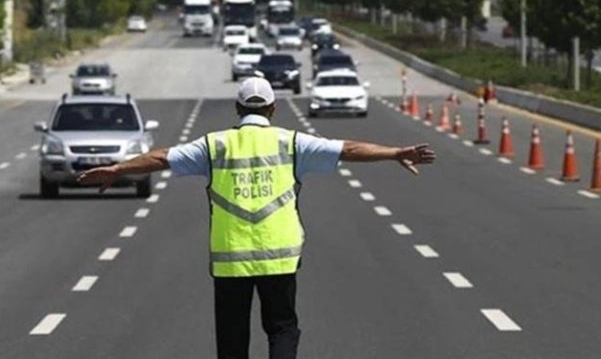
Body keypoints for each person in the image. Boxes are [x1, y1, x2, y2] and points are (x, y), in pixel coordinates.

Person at [77, 77, 436, 359]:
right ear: (273, 108)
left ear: (237, 107)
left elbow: (161, 158)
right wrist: (394, 152)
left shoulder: (214, 145)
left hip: (230, 261)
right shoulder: (292, 142)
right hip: (279, 256)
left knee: (232, 340)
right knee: (282, 329)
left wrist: (118, 169)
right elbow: (348, 149)